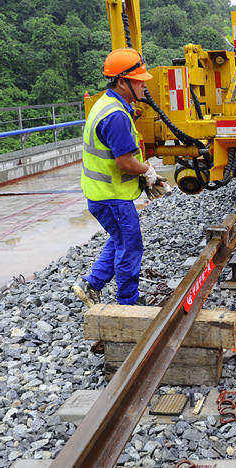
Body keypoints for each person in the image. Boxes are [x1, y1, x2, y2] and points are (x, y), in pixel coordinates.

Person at [73, 47, 159, 306]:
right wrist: (147, 170)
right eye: (139, 81)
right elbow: (124, 163)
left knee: (119, 238)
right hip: (112, 197)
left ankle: (92, 285)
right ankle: (128, 303)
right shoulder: (117, 117)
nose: (144, 86)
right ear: (123, 82)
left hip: (101, 195)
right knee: (130, 246)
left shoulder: (106, 105)